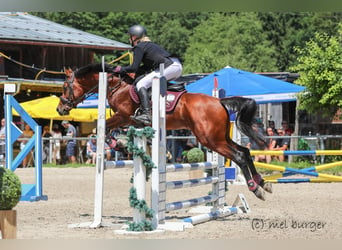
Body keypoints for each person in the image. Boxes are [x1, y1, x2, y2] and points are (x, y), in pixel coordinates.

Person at [114, 24, 183, 125]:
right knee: (148, 82)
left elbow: (133, 67)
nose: (129, 40)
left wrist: (119, 69)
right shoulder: (150, 45)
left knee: (141, 84)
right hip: (176, 66)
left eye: (129, 37)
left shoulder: (139, 47)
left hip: (169, 67)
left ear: (134, 37)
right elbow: (145, 68)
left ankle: (146, 114)